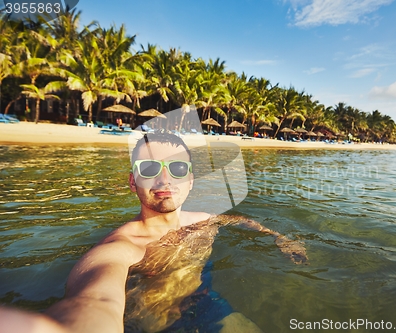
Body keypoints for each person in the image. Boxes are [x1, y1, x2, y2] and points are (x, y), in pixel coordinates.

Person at [0, 132, 307, 333]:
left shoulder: (204, 219)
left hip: (204, 301)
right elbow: (94, 301)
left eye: (177, 168)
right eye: (149, 169)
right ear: (133, 182)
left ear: (190, 180)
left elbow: (238, 220)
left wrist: (280, 237)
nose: (164, 179)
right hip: (157, 323)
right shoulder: (122, 247)